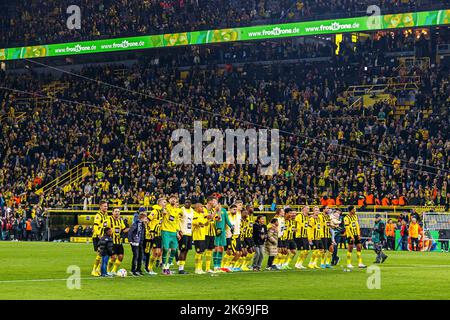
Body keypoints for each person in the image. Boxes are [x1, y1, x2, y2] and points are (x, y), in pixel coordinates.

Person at [161, 195, 183, 275]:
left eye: (175, 199)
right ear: (169, 200)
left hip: (173, 232)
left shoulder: (178, 210)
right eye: (171, 199)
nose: (173, 200)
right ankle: (163, 266)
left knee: (174, 250)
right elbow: (163, 212)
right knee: (166, 249)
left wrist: (177, 232)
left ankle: (167, 267)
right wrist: (163, 209)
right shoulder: (166, 207)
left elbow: (177, 222)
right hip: (165, 231)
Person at [212, 197, 234, 273]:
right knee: (216, 248)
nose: (213, 202)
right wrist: (217, 211)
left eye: (214, 201)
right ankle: (215, 266)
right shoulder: (213, 211)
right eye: (212, 201)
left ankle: (218, 266)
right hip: (216, 232)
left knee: (221, 248)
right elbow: (218, 218)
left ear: (218, 203)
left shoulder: (224, 211)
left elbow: (226, 220)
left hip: (223, 232)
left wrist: (231, 226)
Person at [105, 208, 129, 275]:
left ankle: (114, 270)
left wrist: (131, 228)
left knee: (121, 257)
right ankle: (108, 270)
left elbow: (124, 229)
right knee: (113, 257)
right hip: (112, 242)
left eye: (118, 211)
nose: (117, 213)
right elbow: (105, 230)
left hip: (119, 242)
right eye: (115, 211)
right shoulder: (108, 220)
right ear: (112, 212)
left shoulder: (120, 220)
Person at [146, 198, 166, 275]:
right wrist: (149, 231)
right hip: (154, 234)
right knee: (155, 252)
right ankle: (149, 268)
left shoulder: (162, 212)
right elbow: (147, 220)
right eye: (164, 202)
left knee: (158, 253)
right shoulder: (154, 211)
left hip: (160, 234)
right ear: (160, 203)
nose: (165, 204)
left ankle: (149, 267)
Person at [91, 200, 109, 276]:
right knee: (99, 254)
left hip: (103, 237)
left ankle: (98, 269)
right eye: (104, 206)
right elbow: (95, 226)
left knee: (102, 254)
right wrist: (99, 234)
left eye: (107, 206)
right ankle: (94, 270)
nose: (106, 207)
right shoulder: (98, 215)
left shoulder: (106, 214)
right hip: (97, 237)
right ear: (100, 206)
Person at [178, 199, 194, 274]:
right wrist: (178, 230)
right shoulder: (181, 210)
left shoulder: (192, 211)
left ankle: (182, 267)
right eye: (185, 202)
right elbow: (177, 219)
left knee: (186, 251)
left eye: (188, 202)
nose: (187, 203)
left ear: (191, 203)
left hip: (189, 233)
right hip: (183, 233)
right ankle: (180, 268)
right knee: (182, 250)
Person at [192, 203, 208, 274]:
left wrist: (207, 220)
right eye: (201, 207)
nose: (203, 209)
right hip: (197, 236)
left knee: (201, 252)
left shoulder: (201, 215)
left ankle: (200, 268)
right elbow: (197, 223)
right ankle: (197, 268)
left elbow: (205, 223)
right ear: (197, 208)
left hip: (202, 236)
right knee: (198, 252)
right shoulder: (194, 214)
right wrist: (202, 223)